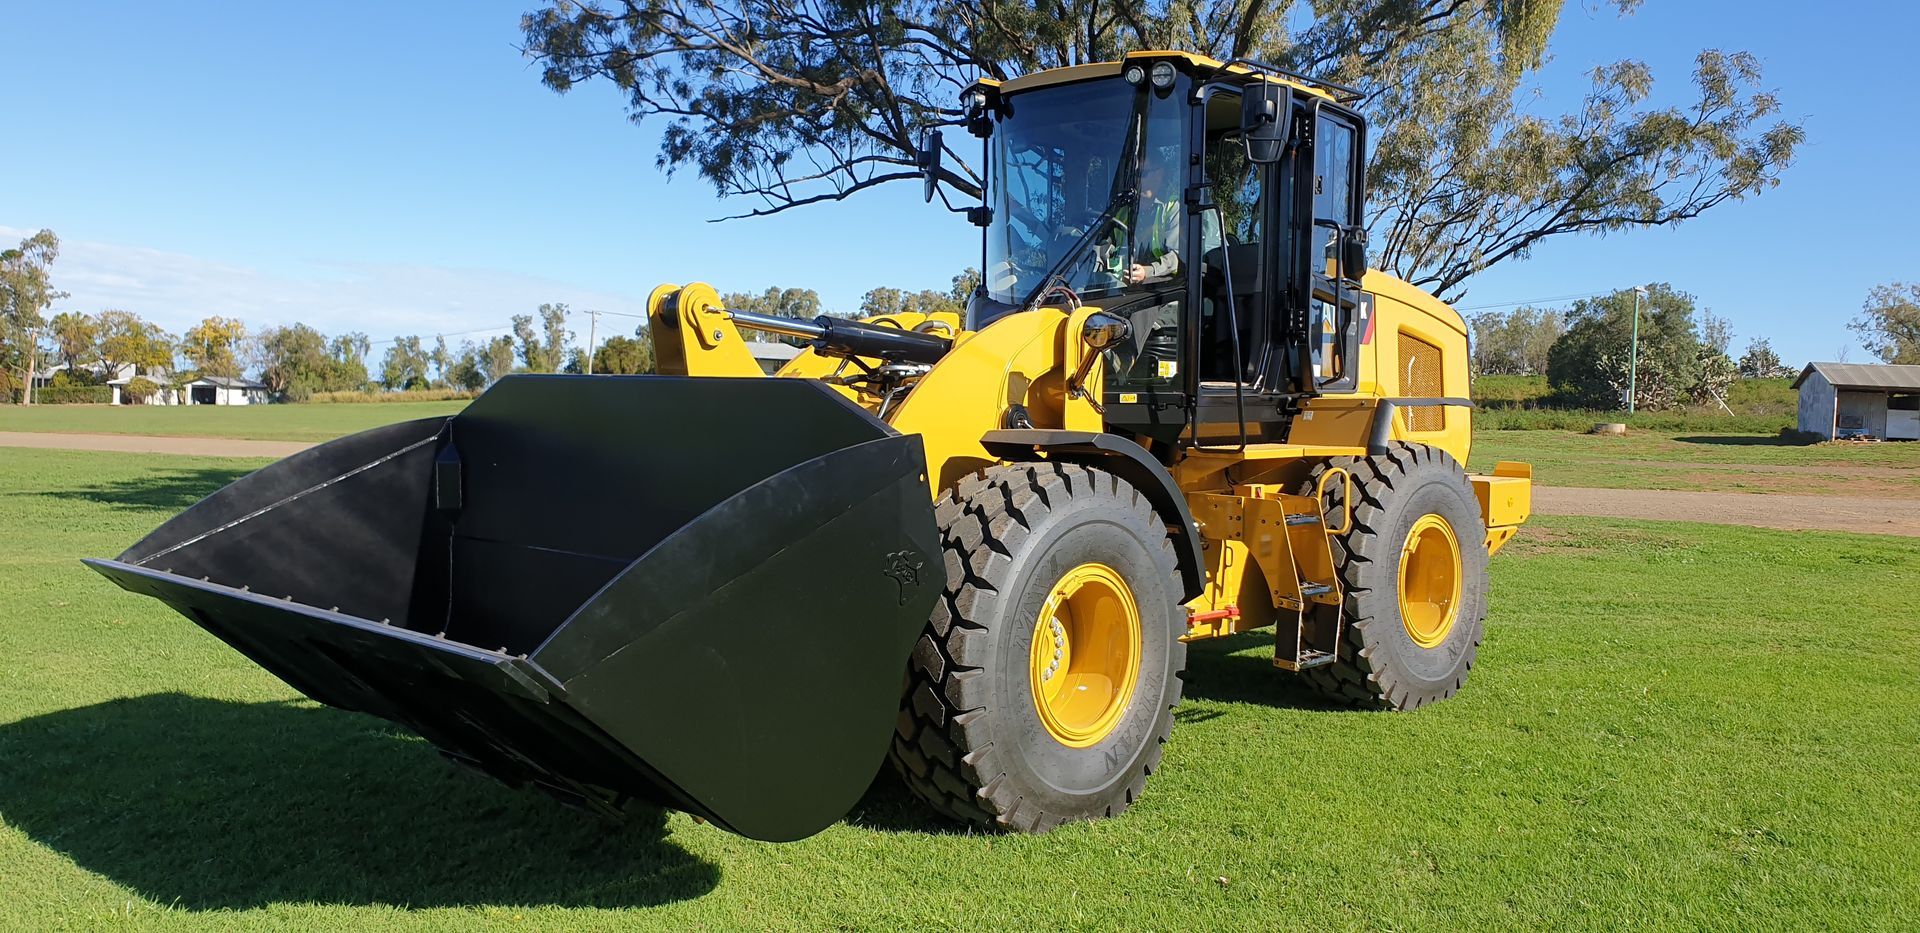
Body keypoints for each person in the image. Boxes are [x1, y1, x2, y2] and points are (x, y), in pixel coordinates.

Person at [1126, 155, 1182, 285]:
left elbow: (1178, 258)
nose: (1136, 180)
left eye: (1142, 174)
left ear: (1159, 174)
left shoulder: (1174, 208)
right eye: (1134, 175)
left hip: (1163, 291)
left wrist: (1148, 271)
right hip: (1120, 289)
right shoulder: (1125, 211)